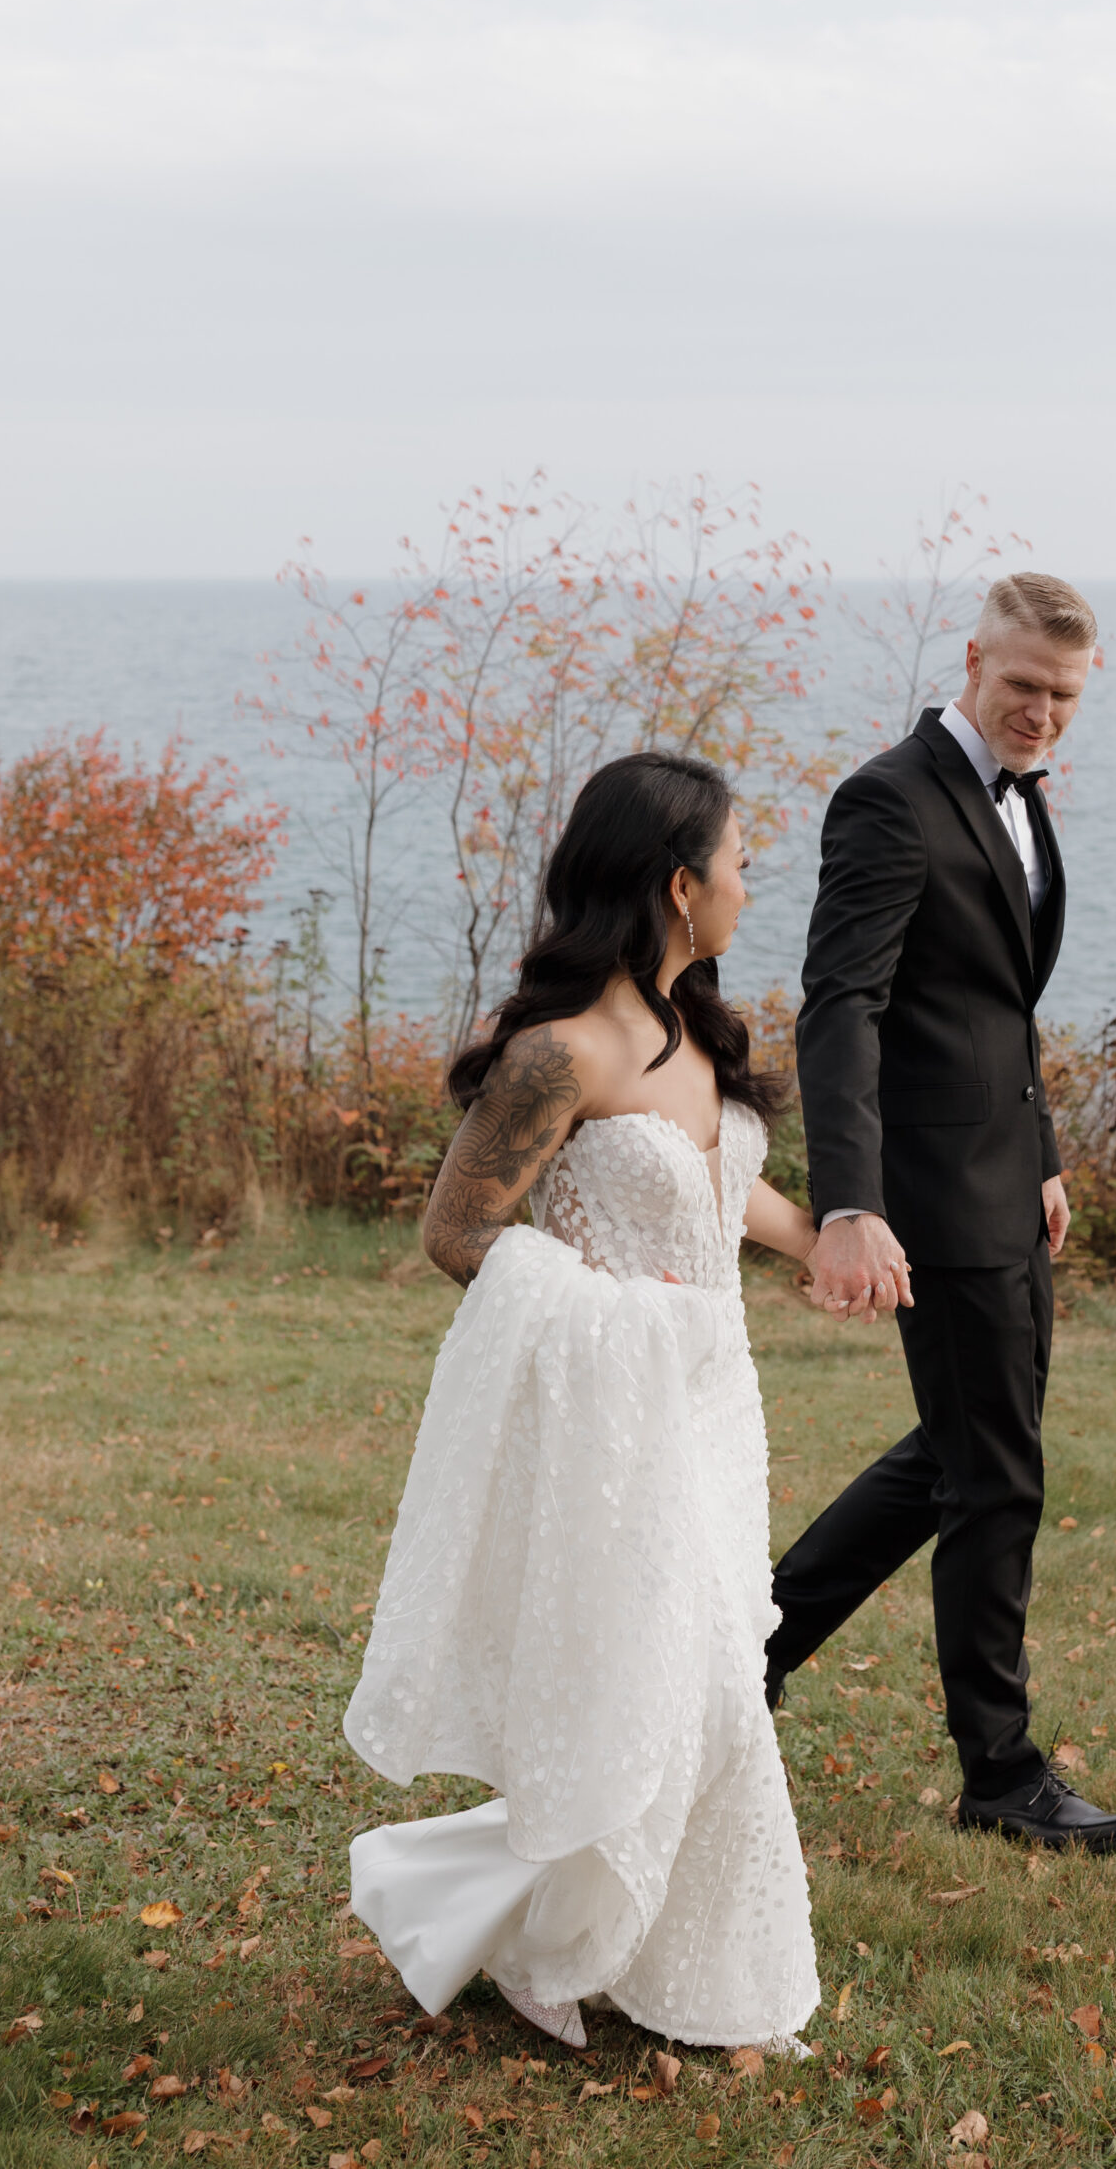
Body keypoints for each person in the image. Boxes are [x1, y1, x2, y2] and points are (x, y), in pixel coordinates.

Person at [343, 752, 822, 2052]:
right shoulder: (560, 1054)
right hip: (615, 1414)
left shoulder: (696, 1035)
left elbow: (725, 1195)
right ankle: (586, 1952)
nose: (745, 884)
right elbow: (456, 1232)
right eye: (735, 863)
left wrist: (824, 1241)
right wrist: (607, 1313)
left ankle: (605, 1945)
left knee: (690, 1680)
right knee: (686, 1685)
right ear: (678, 886)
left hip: (714, 1409)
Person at [767, 572, 1116, 1855]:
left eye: (1065, 696)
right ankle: (1001, 1771)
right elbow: (843, 1005)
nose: (1042, 713)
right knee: (997, 1479)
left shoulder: (1024, 797)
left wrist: (1038, 1146)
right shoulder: (889, 796)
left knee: (959, 1451)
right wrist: (849, 1203)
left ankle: (747, 1649)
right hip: (930, 1194)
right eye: (1024, 686)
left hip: (1004, 1179)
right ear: (974, 660)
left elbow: (993, 1004)